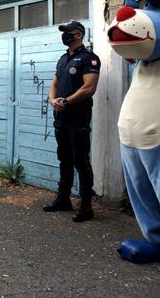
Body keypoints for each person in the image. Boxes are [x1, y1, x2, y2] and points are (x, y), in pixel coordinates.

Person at [44, 21, 101, 222]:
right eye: (64, 33)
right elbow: (55, 84)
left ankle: (86, 206)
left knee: (81, 161)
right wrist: (53, 100)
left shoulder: (89, 59)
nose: (65, 36)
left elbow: (89, 88)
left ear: (79, 35)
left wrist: (66, 101)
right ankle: (63, 199)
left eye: (68, 33)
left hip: (78, 119)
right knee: (64, 158)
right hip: (61, 118)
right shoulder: (62, 59)